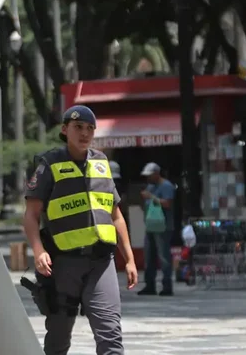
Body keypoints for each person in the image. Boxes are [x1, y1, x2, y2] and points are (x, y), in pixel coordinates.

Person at [23, 105, 138, 355]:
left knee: (111, 337)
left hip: (101, 262)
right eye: (78, 127)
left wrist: (128, 258)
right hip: (64, 264)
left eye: (89, 128)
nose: (84, 133)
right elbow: (31, 216)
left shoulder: (101, 163)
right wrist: (38, 250)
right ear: (65, 130)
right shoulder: (49, 164)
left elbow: (115, 215)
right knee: (59, 338)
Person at [137, 162, 176, 296]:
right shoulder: (150, 186)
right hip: (151, 225)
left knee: (163, 256)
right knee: (149, 256)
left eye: (149, 175)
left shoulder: (166, 186)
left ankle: (167, 286)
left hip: (163, 226)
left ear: (156, 174)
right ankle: (150, 285)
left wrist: (151, 197)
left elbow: (167, 203)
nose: (148, 178)